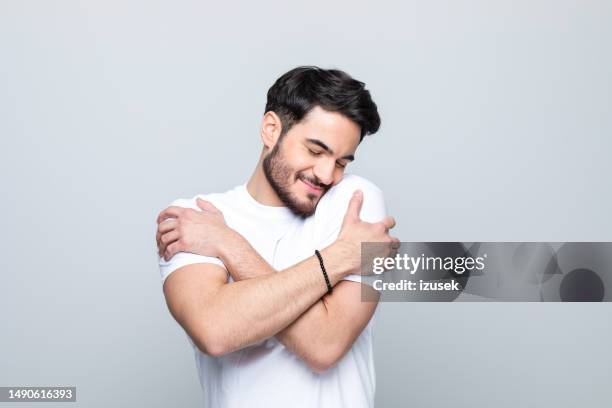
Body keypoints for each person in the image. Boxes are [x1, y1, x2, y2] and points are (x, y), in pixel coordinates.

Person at [156, 66, 398, 408]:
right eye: (315, 151)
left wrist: (228, 245)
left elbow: (325, 345)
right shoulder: (197, 215)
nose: (327, 174)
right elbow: (214, 330)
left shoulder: (357, 202)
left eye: (342, 162)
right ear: (271, 129)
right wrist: (339, 258)